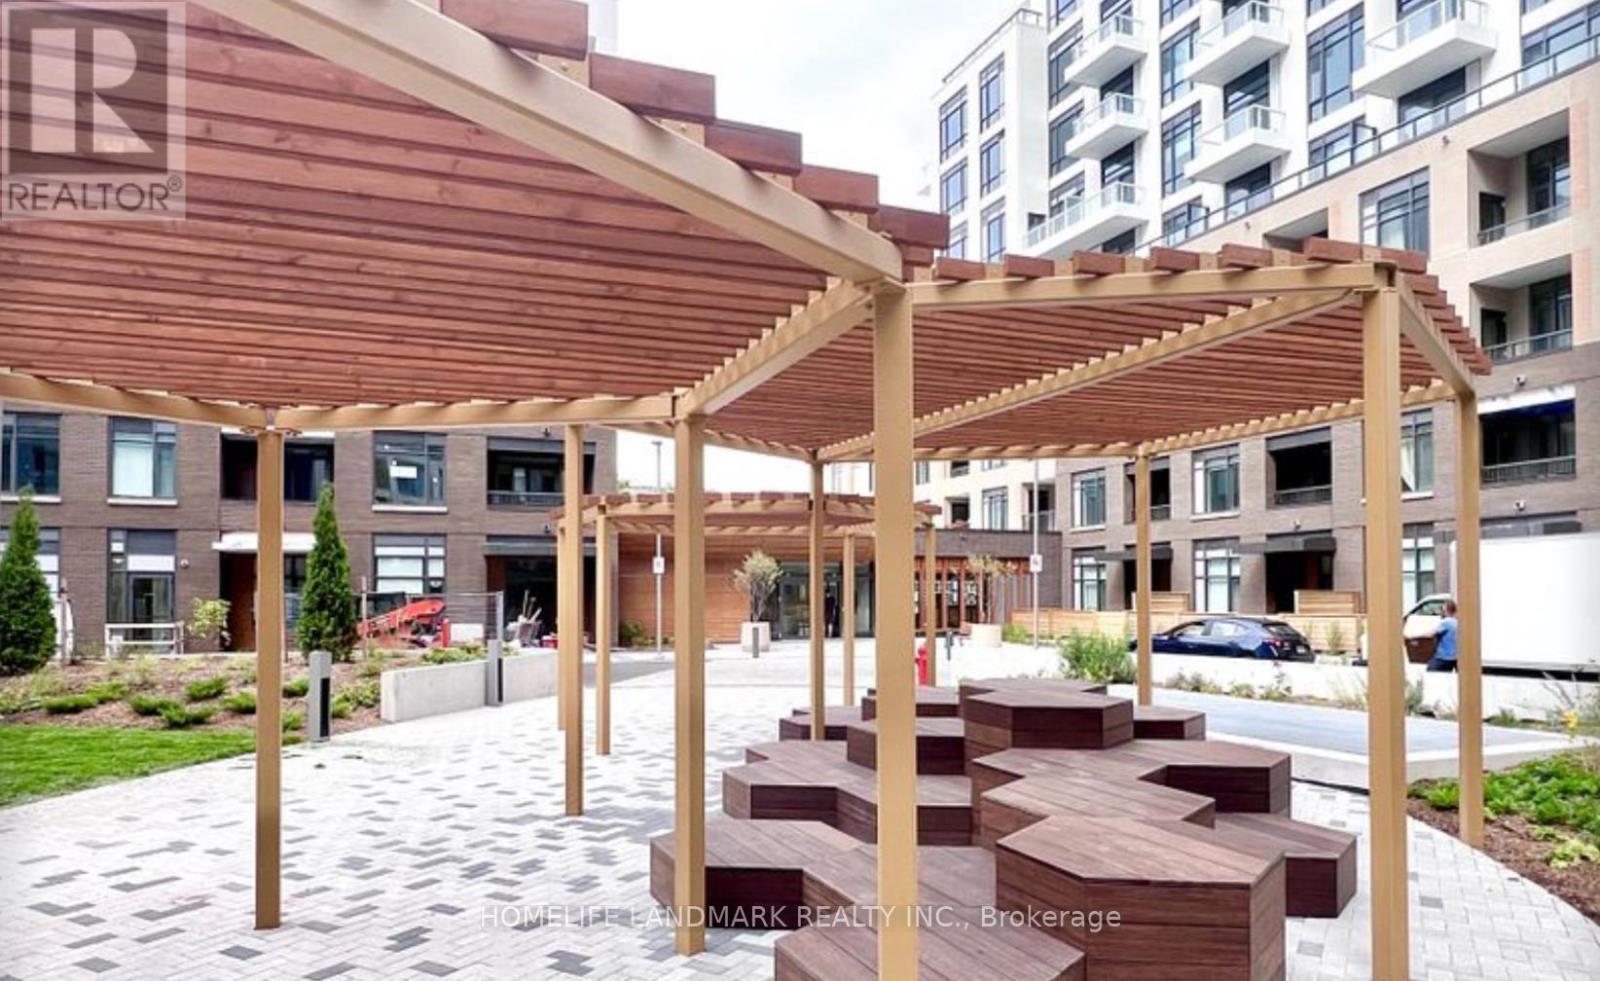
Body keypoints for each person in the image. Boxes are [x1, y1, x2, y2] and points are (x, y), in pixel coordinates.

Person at [1428, 600, 1459, 672]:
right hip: (1455, 657)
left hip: (1443, 657)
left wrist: (1412, 636)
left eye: (1441, 609)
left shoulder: (1446, 622)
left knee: (1430, 674)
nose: (1440, 612)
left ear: (1445, 611)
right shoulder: (1457, 622)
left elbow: (1431, 633)